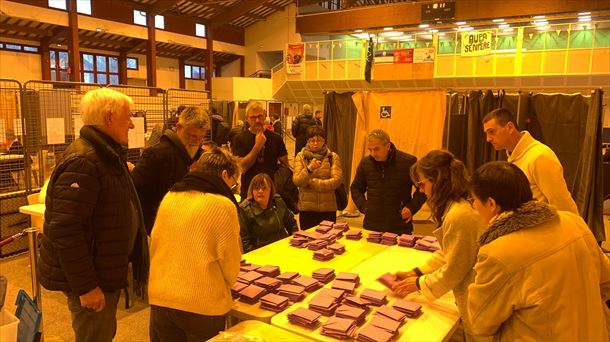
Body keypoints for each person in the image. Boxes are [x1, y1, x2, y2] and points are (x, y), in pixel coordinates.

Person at [37, 88, 149, 342]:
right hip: (93, 278)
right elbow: (66, 230)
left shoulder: (106, 155)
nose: (132, 124)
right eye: (128, 117)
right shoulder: (85, 160)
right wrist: (87, 287)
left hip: (105, 269)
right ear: (109, 118)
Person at [467, 161, 609, 341]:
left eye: (474, 201)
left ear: (491, 204)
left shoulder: (497, 253)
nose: (474, 207)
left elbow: (481, 323)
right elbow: (606, 282)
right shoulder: (574, 222)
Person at [148, 148, 242, 341]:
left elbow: (155, 246)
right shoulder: (223, 205)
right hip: (202, 307)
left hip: (161, 300)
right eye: (233, 183)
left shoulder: (170, 197)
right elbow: (231, 265)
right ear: (224, 174)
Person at [392, 150, 483, 340]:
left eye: (422, 184)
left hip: (478, 300)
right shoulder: (454, 207)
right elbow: (448, 251)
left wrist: (418, 284)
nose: (422, 190)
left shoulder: (460, 214)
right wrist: (416, 272)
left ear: (438, 181)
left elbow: (454, 268)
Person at [483, 108, 578, 214]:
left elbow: (564, 206)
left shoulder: (540, 156)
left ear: (509, 127)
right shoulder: (514, 157)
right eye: (486, 133)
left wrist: (576, 228)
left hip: (543, 228)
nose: (488, 139)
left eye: (491, 132)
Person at [132, 106, 209, 234]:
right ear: (179, 127)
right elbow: (135, 192)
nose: (195, 142)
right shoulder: (156, 154)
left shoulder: (198, 154)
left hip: (182, 224)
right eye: (191, 136)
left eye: (200, 137)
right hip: (158, 227)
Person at [350, 129, 426, 234]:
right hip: (372, 224)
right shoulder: (365, 163)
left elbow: (423, 188)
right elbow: (356, 188)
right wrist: (364, 207)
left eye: (376, 149)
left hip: (399, 224)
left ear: (388, 146)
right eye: (370, 150)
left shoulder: (408, 162)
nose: (373, 154)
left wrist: (411, 208)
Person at [233, 101, 289, 200]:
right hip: (249, 190)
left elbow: (285, 165)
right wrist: (257, 146)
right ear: (247, 118)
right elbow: (242, 167)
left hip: (272, 190)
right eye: (253, 117)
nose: (258, 120)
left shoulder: (276, 138)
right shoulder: (239, 139)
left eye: (260, 116)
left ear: (265, 116)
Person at [293, 126, 343, 229]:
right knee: (307, 241)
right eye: (312, 140)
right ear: (308, 141)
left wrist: (313, 183)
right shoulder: (300, 156)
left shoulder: (332, 157)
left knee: (329, 240)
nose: (315, 143)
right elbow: (297, 180)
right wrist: (309, 169)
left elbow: (337, 180)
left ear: (324, 141)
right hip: (307, 209)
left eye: (319, 140)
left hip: (328, 209)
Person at [239, 173, 298, 252]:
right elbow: (245, 241)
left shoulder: (278, 201)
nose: (260, 191)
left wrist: (295, 241)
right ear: (252, 191)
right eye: (256, 188)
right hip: (260, 253)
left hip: (283, 247)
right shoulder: (244, 209)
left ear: (271, 190)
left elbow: (292, 224)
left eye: (264, 188)